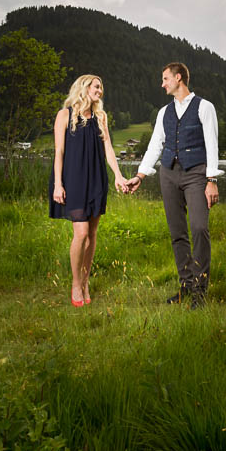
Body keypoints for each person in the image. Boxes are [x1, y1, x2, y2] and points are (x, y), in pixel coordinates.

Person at [126, 62, 222, 309]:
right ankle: (186, 286)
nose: (162, 84)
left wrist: (211, 180)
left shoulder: (204, 107)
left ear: (179, 78)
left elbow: (212, 144)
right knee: (177, 233)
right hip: (168, 174)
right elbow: (155, 146)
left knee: (199, 228)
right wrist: (140, 175)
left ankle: (200, 290)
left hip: (196, 174)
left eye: (165, 78)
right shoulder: (163, 112)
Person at [50, 74, 129, 307]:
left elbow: (109, 150)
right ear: (84, 87)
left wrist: (118, 175)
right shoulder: (64, 115)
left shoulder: (100, 117)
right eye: (97, 86)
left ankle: (86, 282)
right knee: (81, 233)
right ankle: (76, 283)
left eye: (101, 87)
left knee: (92, 234)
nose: (100, 91)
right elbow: (59, 152)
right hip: (73, 179)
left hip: (97, 179)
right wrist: (57, 183)